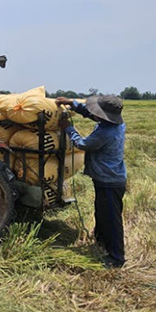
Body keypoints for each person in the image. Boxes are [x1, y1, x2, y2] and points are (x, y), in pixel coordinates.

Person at [56, 95, 127, 268]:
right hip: (108, 178)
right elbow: (91, 114)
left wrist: (68, 128)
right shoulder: (115, 125)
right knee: (102, 213)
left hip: (109, 181)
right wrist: (72, 104)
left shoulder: (105, 133)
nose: (94, 114)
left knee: (111, 219)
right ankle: (101, 241)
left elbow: (82, 144)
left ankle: (116, 258)